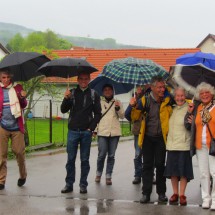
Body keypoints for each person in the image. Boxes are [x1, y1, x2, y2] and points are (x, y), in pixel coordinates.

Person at [130, 76, 173, 203]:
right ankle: (146, 193)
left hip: (161, 138)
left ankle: (161, 193)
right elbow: (134, 117)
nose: (162, 89)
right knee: (147, 166)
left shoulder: (167, 100)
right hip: (147, 138)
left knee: (160, 165)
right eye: (159, 87)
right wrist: (134, 106)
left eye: (163, 87)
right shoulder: (145, 100)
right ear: (153, 88)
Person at [60, 71, 102, 194]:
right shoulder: (72, 93)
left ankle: (83, 184)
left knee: (84, 160)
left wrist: (91, 128)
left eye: (86, 79)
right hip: (73, 131)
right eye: (81, 79)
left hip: (86, 132)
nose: (84, 81)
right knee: (70, 159)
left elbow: (98, 113)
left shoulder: (94, 94)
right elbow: (63, 110)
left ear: (89, 79)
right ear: (77, 80)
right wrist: (66, 98)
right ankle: (69, 184)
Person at [185, 82, 215, 210]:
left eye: (207, 92)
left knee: (214, 173)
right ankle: (206, 198)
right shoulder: (198, 108)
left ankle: (214, 200)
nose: (204, 95)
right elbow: (187, 125)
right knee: (203, 173)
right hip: (200, 145)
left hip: (213, 145)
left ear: (212, 93)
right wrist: (189, 113)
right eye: (202, 93)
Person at [164, 87, 193, 206]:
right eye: (177, 96)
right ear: (174, 97)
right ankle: (175, 194)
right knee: (173, 172)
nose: (179, 98)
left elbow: (191, 126)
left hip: (184, 144)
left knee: (183, 171)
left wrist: (192, 120)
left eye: (182, 95)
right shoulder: (172, 108)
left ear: (185, 96)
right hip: (171, 145)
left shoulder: (190, 108)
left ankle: (182, 195)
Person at [0, 70, 27, 190]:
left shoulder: (17, 88)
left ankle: (23, 175)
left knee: (19, 152)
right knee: (1, 155)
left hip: (16, 126)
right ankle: (1, 180)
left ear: (10, 77)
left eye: (7, 77)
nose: (5, 80)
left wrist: (22, 97)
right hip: (3, 126)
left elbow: (24, 104)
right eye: (3, 77)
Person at [95, 84, 124, 185]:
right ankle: (98, 173)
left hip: (114, 133)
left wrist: (117, 108)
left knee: (111, 155)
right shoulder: (99, 102)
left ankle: (108, 176)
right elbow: (96, 117)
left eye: (109, 90)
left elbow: (122, 116)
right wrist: (95, 130)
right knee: (101, 154)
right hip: (102, 132)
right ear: (103, 92)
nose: (107, 91)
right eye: (105, 90)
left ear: (113, 91)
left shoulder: (117, 102)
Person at [125, 86, 143, 184]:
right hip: (138, 131)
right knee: (137, 154)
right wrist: (131, 105)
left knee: (149, 155)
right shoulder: (135, 99)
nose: (140, 89)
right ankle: (137, 175)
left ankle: (150, 175)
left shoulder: (150, 97)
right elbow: (127, 115)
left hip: (149, 131)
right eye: (138, 88)